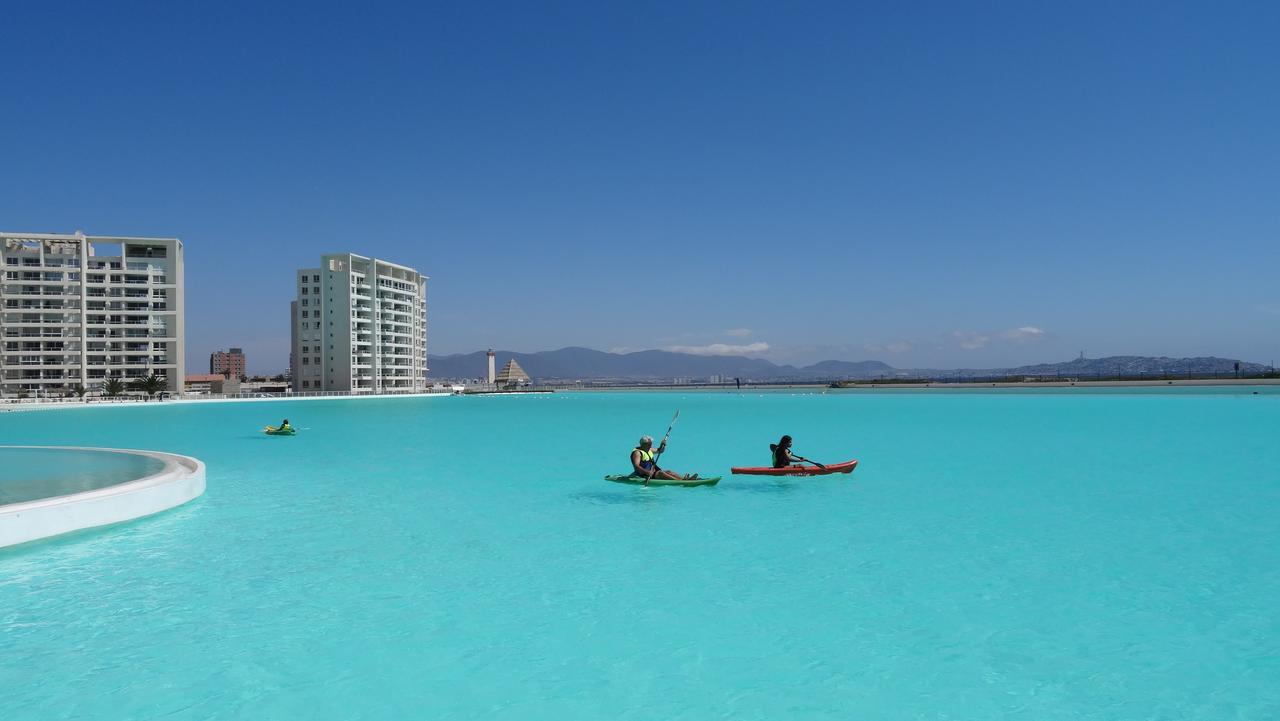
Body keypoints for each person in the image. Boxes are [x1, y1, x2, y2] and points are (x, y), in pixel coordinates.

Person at [631, 435, 697, 482]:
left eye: (651, 444)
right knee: (660, 473)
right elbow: (636, 466)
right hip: (644, 474)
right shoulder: (637, 453)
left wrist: (662, 445)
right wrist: (647, 472)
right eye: (649, 445)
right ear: (643, 444)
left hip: (652, 472)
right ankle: (681, 482)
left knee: (669, 471)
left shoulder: (649, 449)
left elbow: (660, 451)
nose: (650, 446)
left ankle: (684, 479)